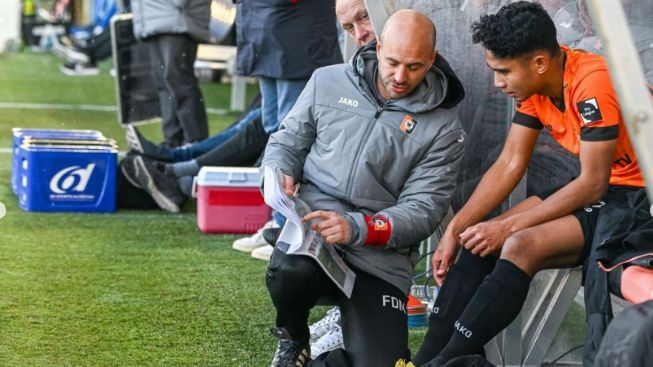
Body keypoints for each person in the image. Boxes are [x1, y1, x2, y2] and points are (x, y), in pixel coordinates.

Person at [413, 2, 651, 366]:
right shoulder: (536, 86)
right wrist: (456, 230)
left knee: (520, 243)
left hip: (640, 197)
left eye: (504, 71)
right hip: (608, 190)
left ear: (539, 63)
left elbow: (592, 185)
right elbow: (509, 163)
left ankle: (445, 361)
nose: (497, 82)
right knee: (479, 238)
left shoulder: (591, 84)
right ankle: (430, 358)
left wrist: (506, 226)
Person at [262, 9, 466, 366]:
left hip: (380, 258)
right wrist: (280, 170)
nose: (401, 76)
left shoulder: (445, 127)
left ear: (431, 60)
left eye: (415, 67)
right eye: (393, 62)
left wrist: (357, 227)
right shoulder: (327, 81)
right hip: (315, 236)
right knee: (289, 271)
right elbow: (285, 143)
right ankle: (294, 336)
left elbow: (423, 210)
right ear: (378, 44)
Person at [132, 0, 211, 148]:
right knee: (163, 81)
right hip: (155, 17)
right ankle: (172, 141)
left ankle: (196, 141)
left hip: (178, 17)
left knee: (178, 80)